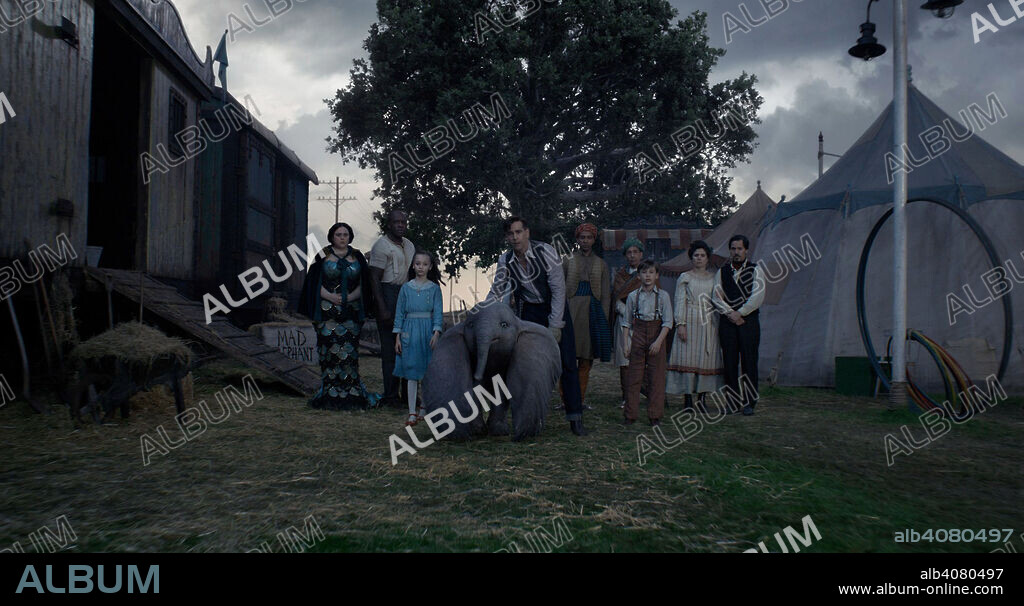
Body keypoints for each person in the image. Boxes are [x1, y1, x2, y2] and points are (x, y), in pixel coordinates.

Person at [486, 216, 587, 436]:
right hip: (530, 311)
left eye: (519, 232)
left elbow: (559, 291)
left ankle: (575, 418)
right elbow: (496, 290)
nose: (515, 237)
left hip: (555, 309)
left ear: (527, 233)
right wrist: (481, 313)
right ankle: (530, 418)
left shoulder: (547, 252)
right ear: (507, 237)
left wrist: (556, 325)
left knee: (567, 363)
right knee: (528, 366)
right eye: (511, 234)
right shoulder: (506, 260)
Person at [297, 222, 381, 410]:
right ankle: (330, 393)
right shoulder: (322, 255)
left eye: (345, 234)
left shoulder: (358, 256)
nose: (342, 238)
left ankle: (351, 393)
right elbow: (312, 282)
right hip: (327, 313)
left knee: (349, 355)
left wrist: (350, 297)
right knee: (330, 354)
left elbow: (365, 284)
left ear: (350, 236)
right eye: (338, 234)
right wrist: (330, 297)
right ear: (331, 237)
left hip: (351, 312)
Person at [712, 235, 765, 416]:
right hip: (728, 323)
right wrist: (731, 314)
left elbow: (757, 297)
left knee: (749, 362)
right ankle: (732, 402)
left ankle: (749, 402)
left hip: (748, 322)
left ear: (746, 250)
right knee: (730, 363)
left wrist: (740, 313)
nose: (736, 252)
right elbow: (716, 297)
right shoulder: (722, 271)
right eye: (733, 249)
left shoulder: (756, 270)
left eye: (739, 249)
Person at [667, 240, 723, 410]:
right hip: (689, 318)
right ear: (691, 258)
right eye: (696, 255)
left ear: (707, 258)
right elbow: (679, 301)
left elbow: (718, 300)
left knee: (705, 359)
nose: (699, 258)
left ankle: (702, 399)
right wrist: (681, 324)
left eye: (702, 255)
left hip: (708, 321)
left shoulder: (714, 277)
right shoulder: (685, 277)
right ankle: (688, 400)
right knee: (687, 357)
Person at [369, 209, 416, 407]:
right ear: (389, 224)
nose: (400, 225)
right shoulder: (381, 246)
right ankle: (390, 396)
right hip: (387, 295)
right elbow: (374, 279)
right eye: (396, 222)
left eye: (403, 222)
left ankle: (408, 395)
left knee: (409, 349)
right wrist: (382, 308)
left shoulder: (409, 245)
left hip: (405, 295)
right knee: (390, 351)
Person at [563, 223, 611, 409]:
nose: (585, 241)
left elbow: (606, 293)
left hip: (593, 310)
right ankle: (565, 399)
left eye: (589, 237)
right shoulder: (567, 260)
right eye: (582, 237)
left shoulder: (601, 264)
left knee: (586, 358)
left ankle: (580, 399)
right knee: (567, 356)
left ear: (594, 239)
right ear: (577, 239)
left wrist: (603, 318)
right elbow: (559, 289)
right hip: (572, 309)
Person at [393, 250, 444, 426]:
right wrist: (398, 336)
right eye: (417, 263)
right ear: (413, 265)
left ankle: (424, 407)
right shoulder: (406, 288)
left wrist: (436, 332)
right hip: (409, 331)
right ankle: (412, 411)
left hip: (427, 331)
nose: (420, 267)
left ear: (430, 267)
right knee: (411, 371)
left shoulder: (435, 289)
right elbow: (399, 313)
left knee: (427, 372)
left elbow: (438, 312)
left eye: (424, 264)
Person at [620, 259, 672, 426]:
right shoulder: (633, 296)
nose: (647, 276)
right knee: (633, 376)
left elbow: (668, 322)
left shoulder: (663, 296)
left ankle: (655, 416)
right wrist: (626, 344)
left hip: (658, 334)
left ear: (657, 275)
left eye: (651, 272)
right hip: (639, 334)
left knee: (656, 377)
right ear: (639, 275)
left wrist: (658, 342)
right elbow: (626, 322)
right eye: (644, 272)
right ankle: (630, 415)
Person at [611, 239, 645, 408]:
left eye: (635, 252)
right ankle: (626, 397)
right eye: (629, 252)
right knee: (625, 360)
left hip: (644, 323)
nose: (632, 256)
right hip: (624, 321)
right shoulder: (620, 275)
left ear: (641, 254)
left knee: (640, 361)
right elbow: (617, 299)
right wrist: (628, 314)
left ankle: (641, 393)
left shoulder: (648, 273)